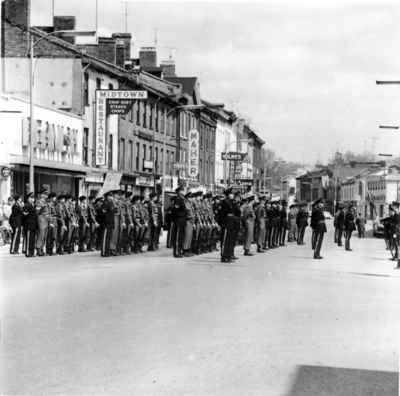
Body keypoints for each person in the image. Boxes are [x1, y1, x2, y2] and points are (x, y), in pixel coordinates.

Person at [219, 188, 237, 262]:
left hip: (231, 223)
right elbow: (221, 214)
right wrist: (223, 223)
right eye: (231, 194)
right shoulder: (224, 202)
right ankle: (223, 256)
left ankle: (228, 255)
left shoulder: (231, 202)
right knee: (225, 240)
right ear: (228, 194)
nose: (233, 195)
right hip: (226, 224)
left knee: (229, 240)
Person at [171, 186, 186, 258]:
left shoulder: (183, 199)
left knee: (181, 237)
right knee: (177, 237)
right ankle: (176, 252)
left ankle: (179, 251)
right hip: (178, 220)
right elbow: (175, 211)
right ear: (179, 192)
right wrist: (175, 220)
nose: (183, 191)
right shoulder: (178, 200)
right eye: (182, 190)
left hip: (182, 220)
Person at [100, 190, 116, 257]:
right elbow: (103, 212)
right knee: (105, 238)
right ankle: (103, 252)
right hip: (106, 223)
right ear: (107, 197)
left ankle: (107, 251)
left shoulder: (112, 203)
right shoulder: (105, 203)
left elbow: (115, 211)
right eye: (110, 196)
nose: (111, 197)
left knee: (108, 238)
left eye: (112, 196)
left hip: (111, 222)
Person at [35, 188, 49, 256]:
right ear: (41, 195)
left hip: (46, 219)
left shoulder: (45, 202)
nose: (46, 195)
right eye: (44, 194)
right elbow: (37, 212)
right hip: (41, 219)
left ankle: (42, 248)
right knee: (41, 235)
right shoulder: (39, 201)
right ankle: (38, 249)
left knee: (44, 236)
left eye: (46, 194)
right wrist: (41, 208)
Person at [23, 192, 37, 257]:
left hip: (33, 224)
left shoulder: (33, 205)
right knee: (29, 239)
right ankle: (28, 252)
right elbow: (24, 214)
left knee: (32, 239)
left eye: (33, 198)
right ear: (28, 198)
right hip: (28, 224)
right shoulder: (26, 205)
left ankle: (32, 252)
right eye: (31, 198)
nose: (32, 199)